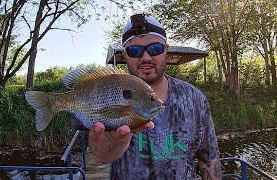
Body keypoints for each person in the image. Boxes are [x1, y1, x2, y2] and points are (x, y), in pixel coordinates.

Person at [88, 13, 222, 179]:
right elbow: (102, 156)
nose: (146, 58)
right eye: (134, 51)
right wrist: (116, 141)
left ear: (166, 50)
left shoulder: (195, 99)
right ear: (125, 55)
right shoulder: (108, 94)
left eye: (155, 48)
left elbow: (209, 159)